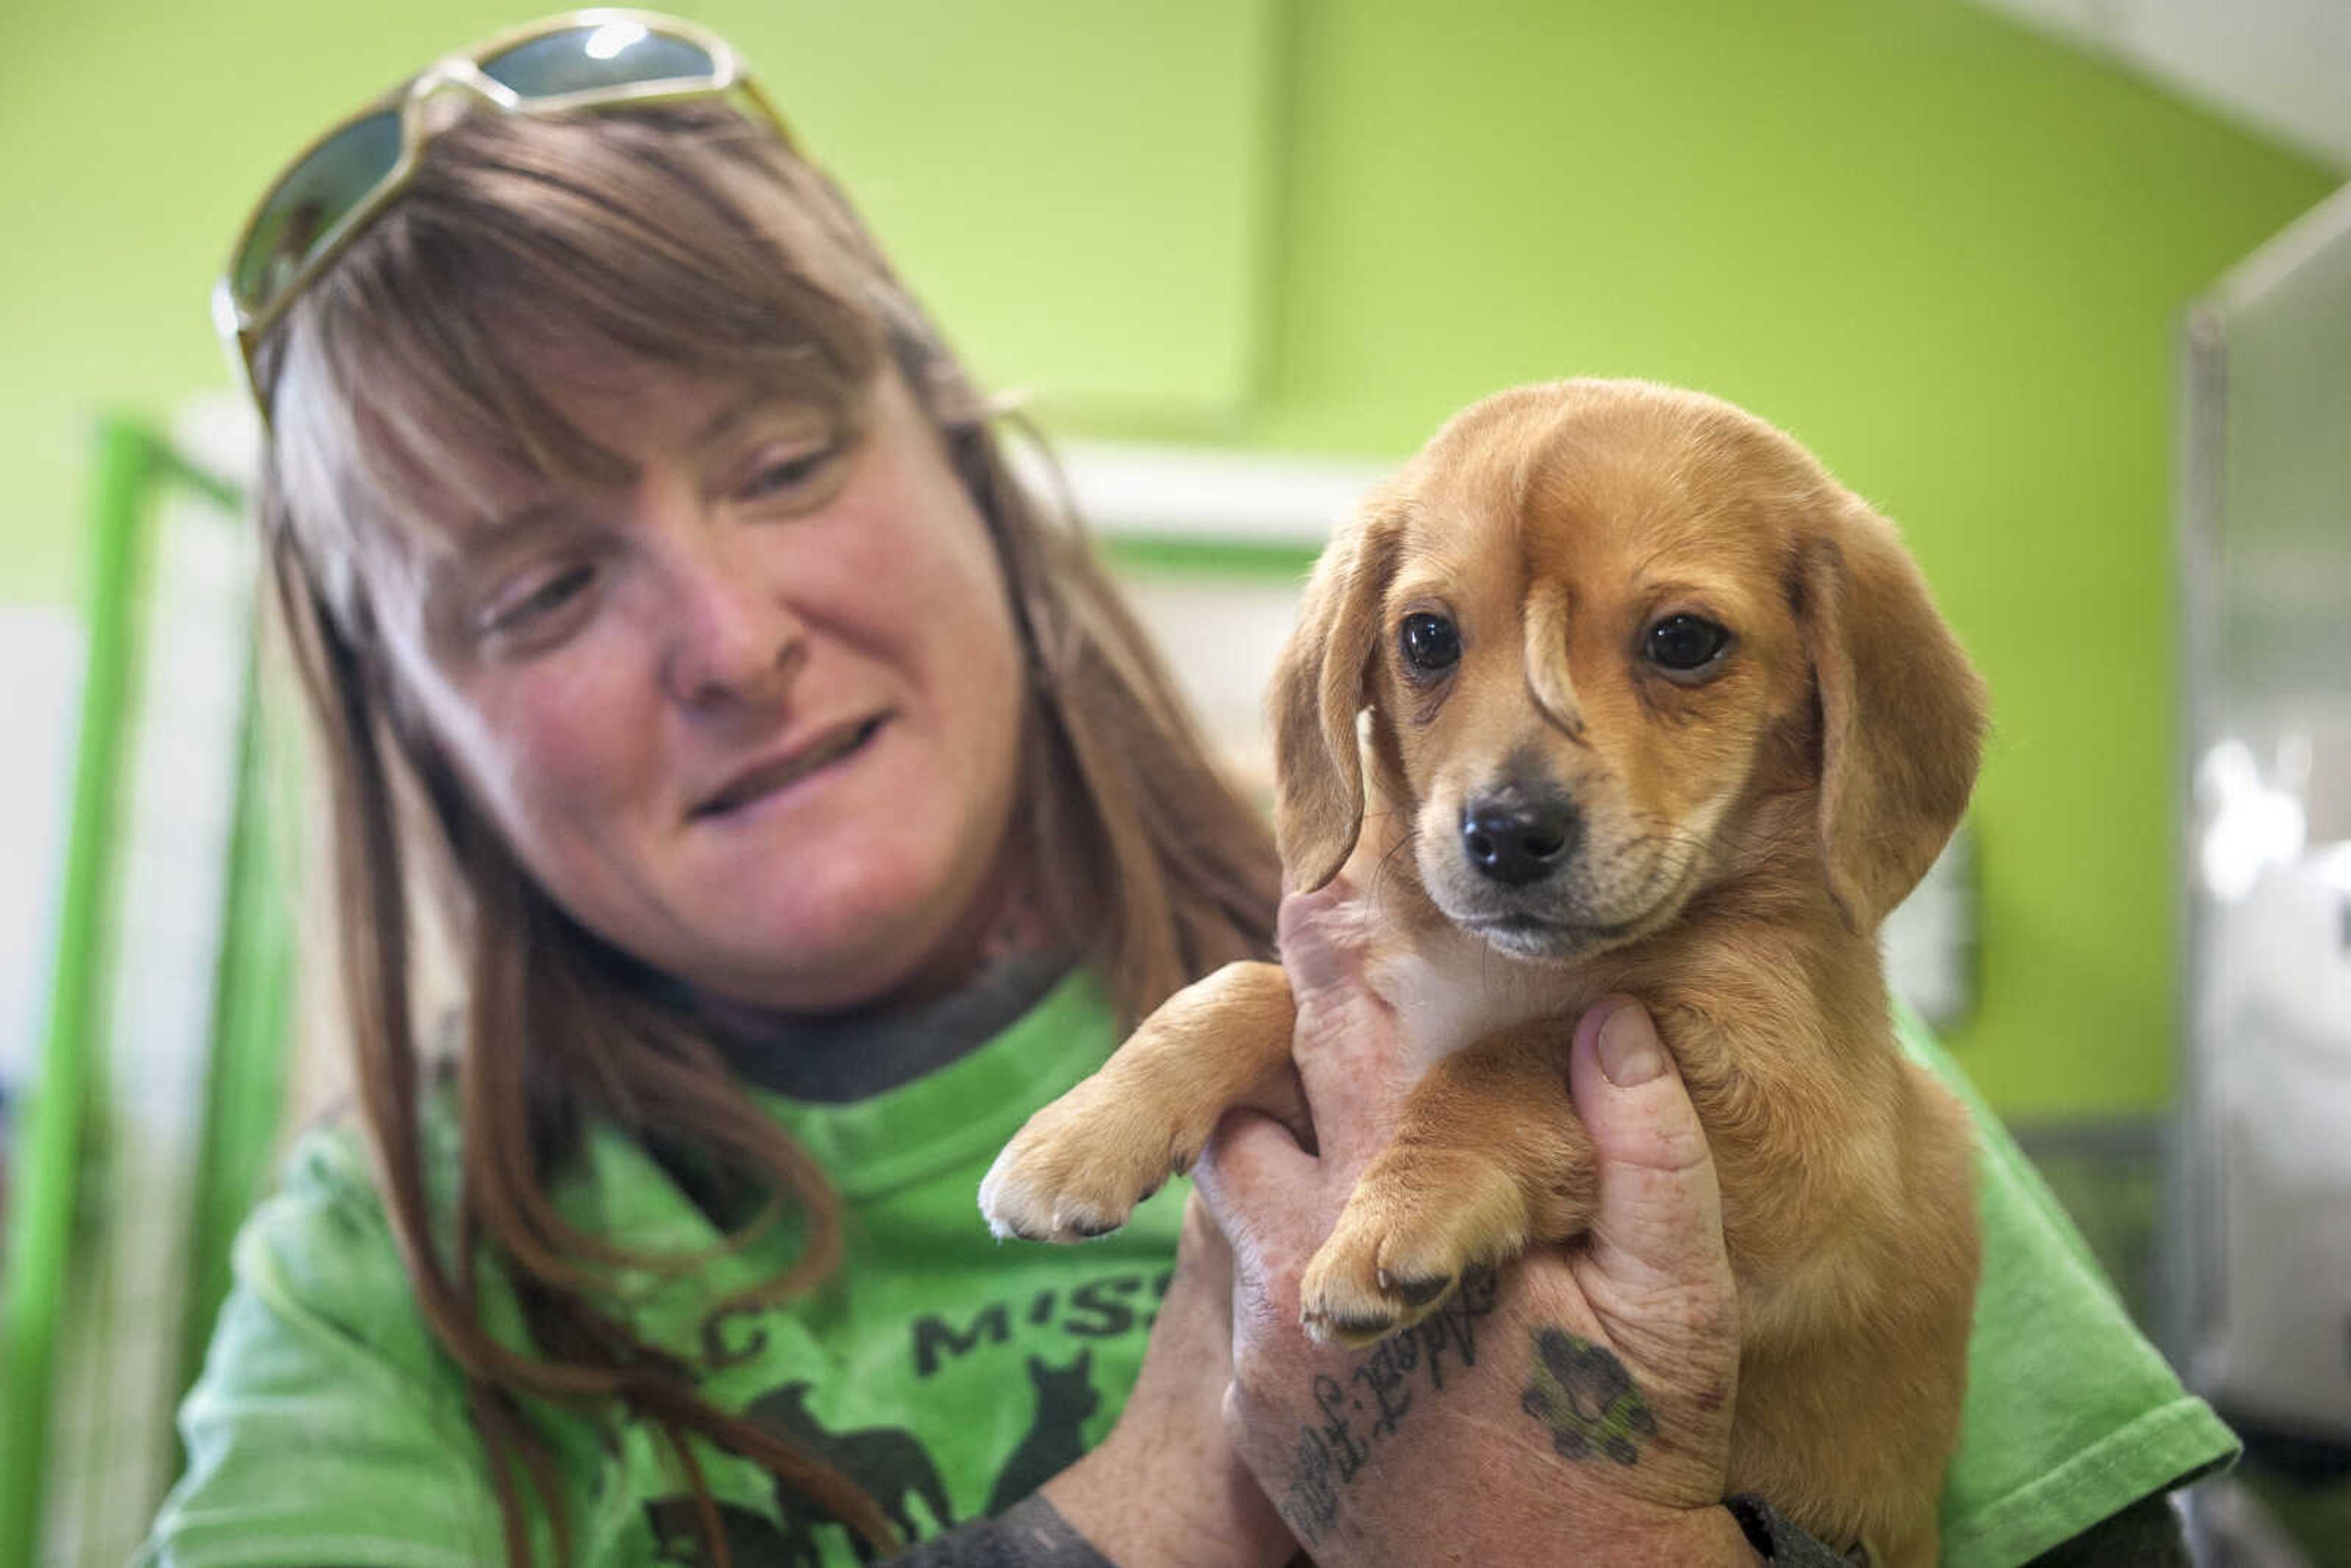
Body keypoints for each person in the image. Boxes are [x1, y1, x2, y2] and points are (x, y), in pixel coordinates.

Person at [141, 13, 2233, 1567]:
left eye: (784, 460)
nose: (729, 633)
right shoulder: (380, 1267)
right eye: (541, 584)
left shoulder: (1715, 975)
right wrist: (1163, 1503)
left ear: (968, 460)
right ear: (410, 715)